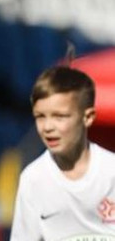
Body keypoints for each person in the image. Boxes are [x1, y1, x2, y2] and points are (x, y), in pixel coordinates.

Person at [10, 65, 115, 240]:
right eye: (40, 116)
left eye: (60, 116)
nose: (48, 127)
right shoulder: (33, 179)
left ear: (87, 117)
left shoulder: (111, 172)